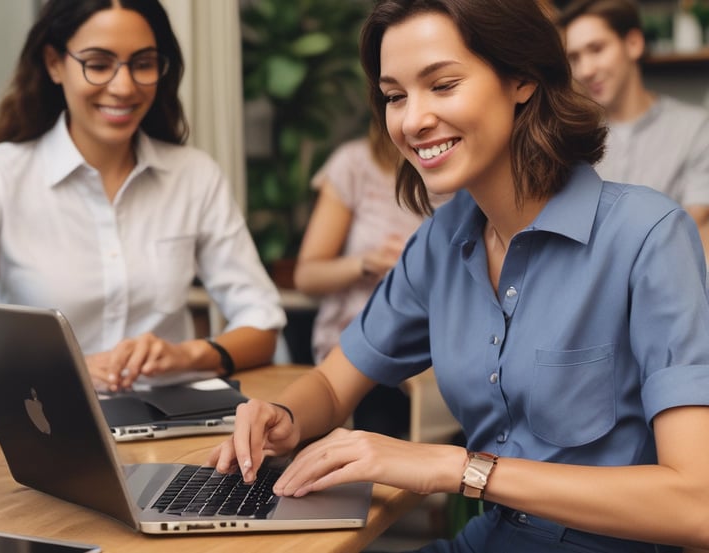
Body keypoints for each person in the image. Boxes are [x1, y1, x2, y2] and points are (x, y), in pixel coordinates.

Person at [209, 1, 709, 552]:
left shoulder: (649, 235)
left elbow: (695, 506)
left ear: (522, 80)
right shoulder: (441, 241)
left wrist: (458, 468)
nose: (411, 119)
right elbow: (332, 383)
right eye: (395, 96)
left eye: (442, 85)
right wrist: (282, 417)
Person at [0, 0, 286, 404]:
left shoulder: (194, 176)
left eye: (143, 63)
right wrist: (63, 377)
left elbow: (262, 322)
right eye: (99, 64)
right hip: (51, 424)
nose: (124, 87)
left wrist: (185, 354)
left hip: (175, 425)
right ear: (54, 63)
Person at [293, 120, 436, 438]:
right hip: (359, 349)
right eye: (396, 96)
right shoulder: (355, 164)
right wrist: (366, 264)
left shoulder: (464, 177)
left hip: (433, 353)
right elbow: (307, 275)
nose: (418, 117)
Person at [557, 0, 709, 260]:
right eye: (575, 57)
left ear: (633, 44)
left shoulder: (696, 129)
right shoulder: (569, 140)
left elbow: (692, 235)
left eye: (597, 49)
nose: (586, 70)